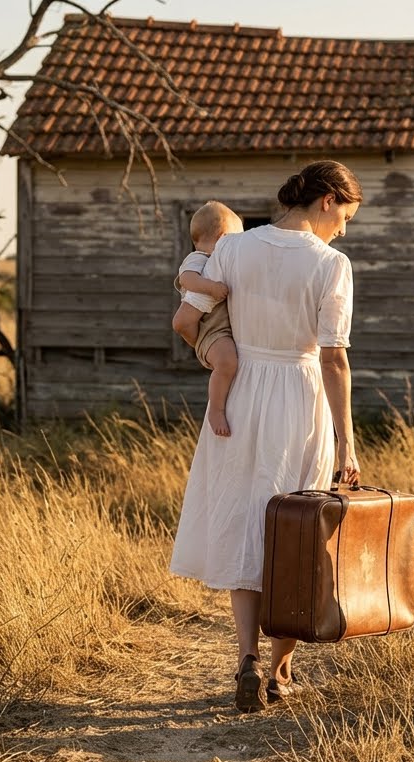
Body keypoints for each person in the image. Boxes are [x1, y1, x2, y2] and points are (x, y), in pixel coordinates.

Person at [170, 160, 362, 714]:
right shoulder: (332, 264)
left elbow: (189, 317)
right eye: (345, 215)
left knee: (245, 523)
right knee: (295, 534)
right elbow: (334, 358)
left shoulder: (233, 247)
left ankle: (247, 660)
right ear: (326, 200)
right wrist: (347, 443)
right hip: (301, 399)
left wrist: (219, 362)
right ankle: (281, 671)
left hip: (242, 393)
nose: (344, 229)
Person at [172, 201, 244, 437]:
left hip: (221, 328)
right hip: (211, 330)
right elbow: (187, 280)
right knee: (227, 363)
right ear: (224, 238)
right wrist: (211, 287)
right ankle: (216, 409)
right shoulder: (198, 258)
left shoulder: (217, 262)